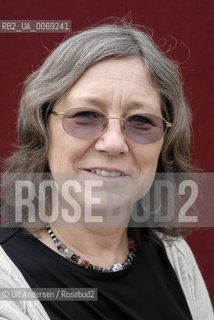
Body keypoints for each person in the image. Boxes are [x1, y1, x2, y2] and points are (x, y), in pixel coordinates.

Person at [0, 21, 213, 320]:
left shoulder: (174, 255)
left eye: (141, 121)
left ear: (165, 146)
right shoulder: (6, 281)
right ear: (42, 131)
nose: (113, 143)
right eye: (86, 116)